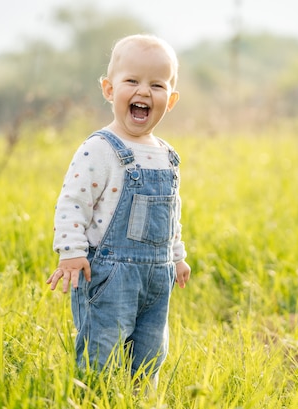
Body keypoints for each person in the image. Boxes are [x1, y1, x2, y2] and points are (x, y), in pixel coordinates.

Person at [46, 34, 191, 387]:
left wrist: (176, 255)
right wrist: (71, 252)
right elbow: (73, 201)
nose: (144, 91)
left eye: (157, 85)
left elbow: (171, 212)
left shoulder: (166, 154)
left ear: (169, 100)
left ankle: (140, 397)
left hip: (157, 278)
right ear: (109, 90)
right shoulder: (100, 148)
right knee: (103, 349)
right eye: (132, 81)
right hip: (110, 277)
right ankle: (98, 396)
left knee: (150, 351)